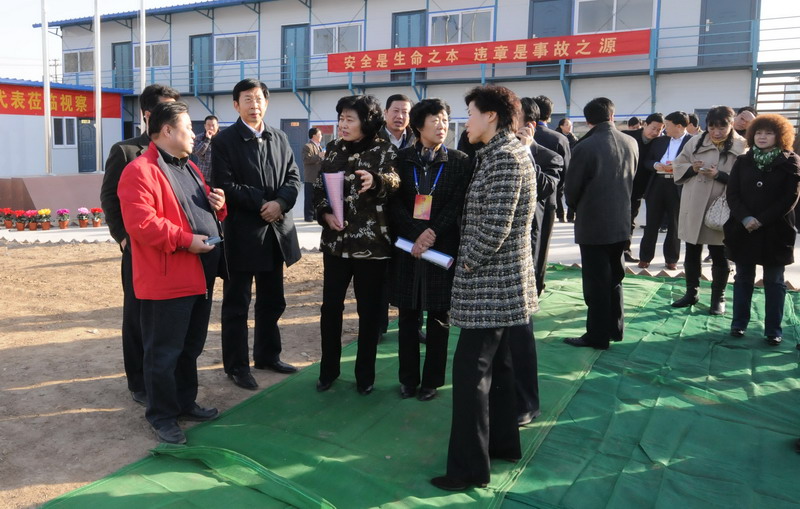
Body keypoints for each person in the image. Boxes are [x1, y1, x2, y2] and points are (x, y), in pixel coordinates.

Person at [431, 85, 537, 491]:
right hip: (500, 283)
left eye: (471, 113)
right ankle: (502, 444)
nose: (466, 122)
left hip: (491, 284)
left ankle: (469, 470)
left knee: (470, 374)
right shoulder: (498, 154)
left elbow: (495, 227)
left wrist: (464, 263)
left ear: (491, 115)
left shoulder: (505, 157)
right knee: (500, 368)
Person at [117, 101, 226, 444]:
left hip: (199, 273)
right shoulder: (139, 170)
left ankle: (184, 402)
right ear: (166, 130)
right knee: (163, 353)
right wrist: (186, 241)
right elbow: (142, 224)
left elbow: (198, 212)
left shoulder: (189, 167)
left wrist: (219, 207)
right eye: (188, 127)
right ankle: (162, 416)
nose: (194, 134)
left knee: (189, 347)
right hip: (167, 277)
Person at [212, 78, 302, 390]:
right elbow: (224, 185)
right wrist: (263, 202)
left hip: (275, 234)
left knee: (272, 301)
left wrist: (280, 203)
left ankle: (267, 355)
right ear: (235, 105)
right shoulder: (224, 141)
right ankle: (237, 366)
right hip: (242, 235)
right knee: (237, 305)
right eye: (247, 99)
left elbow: (293, 177)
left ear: (267, 102)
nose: (254, 105)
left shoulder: (279, 137)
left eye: (259, 98)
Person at [99, 83, 180, 406]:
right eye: (164, 109)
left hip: (173, 248)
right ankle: (139, 382)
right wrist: (122, 237)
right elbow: (110, 198)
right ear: (148, 114)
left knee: (167, 318)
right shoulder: (126, 151)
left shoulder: (177, 151)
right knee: (137, 316)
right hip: (138, 249)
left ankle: (166, 378)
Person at [314, 94, 400, 395]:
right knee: (330, 309)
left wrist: (376, 181)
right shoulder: (333, 148)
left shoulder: (384, 150)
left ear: (367, 121)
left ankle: (365, 376)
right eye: (341, 119)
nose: (343, 125)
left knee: (369, 312)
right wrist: (325, 214)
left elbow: (395, 182)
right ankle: (328, 371)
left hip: (371, 246)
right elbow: (319, 189)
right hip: (335, 244)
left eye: (350, 119)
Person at [388, 98, 471, 402]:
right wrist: (416, 234)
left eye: (445, 120)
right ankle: (408, 379)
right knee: (407, 317)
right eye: (435, 120)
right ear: (419, 125)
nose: (442, 126)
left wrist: (432, 232)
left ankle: (431, 381)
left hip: (441, 247)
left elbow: (457, 203)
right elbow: (394, 203)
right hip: (408, 248)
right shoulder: (401, 159)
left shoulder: (459, 161)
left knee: (439, 317)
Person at [563, 97, 638, 350]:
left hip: (593, 222)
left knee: (596, 282)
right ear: (612, 115)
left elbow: (572, 189)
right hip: (621, 219)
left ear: (588, 120)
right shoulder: (631, 142)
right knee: (615, 277)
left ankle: (597, 336)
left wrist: (575, 207)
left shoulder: (585, 147)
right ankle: (615, 328)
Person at [724, 114, 800, 346]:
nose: (762, 137)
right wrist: (746, 217)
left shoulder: (790, 161)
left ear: (780, 136)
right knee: (743, 277)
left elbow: (790, 197)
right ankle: (739, 324)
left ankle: (773, 329)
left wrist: (761, 219)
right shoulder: (743, 160)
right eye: (758, 132)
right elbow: (732, 193)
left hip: (775, 230)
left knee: (774, 281)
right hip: (744, 228)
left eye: (768, 133)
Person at [672, 106, 747, 314]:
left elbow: (745, 179)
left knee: (719, 254)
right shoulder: (696, 141)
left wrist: (719, 175)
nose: (716, 132)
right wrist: (692, 168)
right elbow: (679, 164)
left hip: (720, 208)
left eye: (722, 127)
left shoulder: (742, 146)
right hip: (694, 203)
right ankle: (691, 293)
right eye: (712, 127)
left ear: (731, 125)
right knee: (691, 251)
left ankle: (718, 298)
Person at [378, 94, 416, 339]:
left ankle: (412, 327)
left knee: (410, 273)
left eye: (405, 112)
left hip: (410, 217)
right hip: (379, 217)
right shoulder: (373, 139)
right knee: (380, 275)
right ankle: (378, 326)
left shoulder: (416, 139)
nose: (400, 116)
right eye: (395, 110)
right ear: (385, 113)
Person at [637, 111, 693, 270]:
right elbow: (647, 160)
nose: (664, 129)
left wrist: (677, 168)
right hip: (658, 183)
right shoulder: (660, 141)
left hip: (677, 184)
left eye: (667, 125)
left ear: (679, 126)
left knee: (674, 224)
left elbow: (694, 164)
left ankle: (671, 259)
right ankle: (645, 257)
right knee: (651, 223)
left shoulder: (692, 142)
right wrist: (656, 165)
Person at [519, 97, 562, 297]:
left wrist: (526, 152)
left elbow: (545, 187)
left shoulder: (549, 157)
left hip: (534, 225)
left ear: (530, 126)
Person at [623, 113, 664, 262]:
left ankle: (625, 250)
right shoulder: (627, 137)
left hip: (640, 188)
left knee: (630, 220)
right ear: (645, 124)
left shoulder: (659, 142)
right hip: (621, 184)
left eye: (659, 130)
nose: (655, 132)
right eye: (653, 128)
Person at [532, 95, 571, 223]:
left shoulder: (519, 136)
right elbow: (566, 172)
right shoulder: (560, 139)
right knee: (543, 234)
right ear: (549, 115)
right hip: (550, 197)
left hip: (524, 198)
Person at [302, 127, 324, 222]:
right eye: (319, 135)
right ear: (314, 136)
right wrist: (318, 156)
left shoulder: (319, 146)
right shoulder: (307, 146)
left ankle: (315, 215)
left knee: (316, 196)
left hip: (318, 176)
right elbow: (306, 160)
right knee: (309, 197)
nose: (321, 136)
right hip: (310, 176)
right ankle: (308, 216)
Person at [191, 114, 219, 182]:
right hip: (204, 175)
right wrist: (207, 140)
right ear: (205, 126)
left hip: (219, 175)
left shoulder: (224, 138)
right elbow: (197, 153)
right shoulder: (199, 138)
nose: (211, 128)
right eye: (208, 125)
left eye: (213, 125)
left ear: (217, 126)